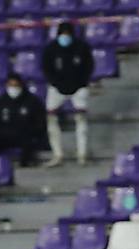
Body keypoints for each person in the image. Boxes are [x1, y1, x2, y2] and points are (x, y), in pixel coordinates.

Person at [41, 21, 93, 166]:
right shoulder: (51, 49)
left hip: (79, 87)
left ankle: (82, 154)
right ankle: (57, 154)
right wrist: (56, 83)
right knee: (51, 119)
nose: (65, 37)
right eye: (62, 34)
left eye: (67, 34)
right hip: (56, 88)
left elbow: (88, 66)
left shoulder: (81, 47)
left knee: (81, 119)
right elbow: (46, 68)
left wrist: (81, 83)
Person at [0, 76, 46, 166]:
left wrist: (33, 133)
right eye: (11, 85)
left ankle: (24, 164)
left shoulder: (32, 100)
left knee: (30, 143)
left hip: (26, 136)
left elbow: (40, 121)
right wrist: (2, 132)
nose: (13, 88)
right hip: (6, 135)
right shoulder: (2, 100)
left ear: (21, 85)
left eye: (16, 85)